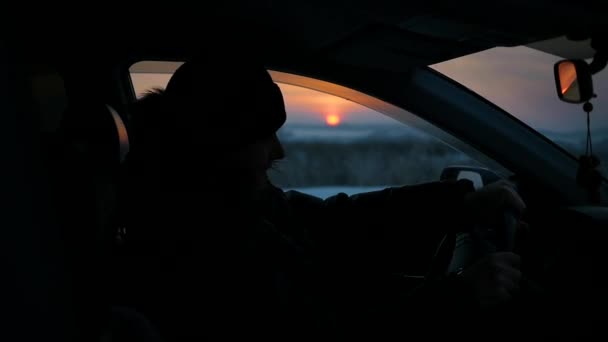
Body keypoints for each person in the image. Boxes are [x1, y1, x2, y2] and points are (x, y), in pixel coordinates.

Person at [118, 54, 526, 341]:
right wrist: (458, 298)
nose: (277, 152)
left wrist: (456, 203)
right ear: (218, 143)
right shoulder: (194, 248)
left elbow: (333, 221)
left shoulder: (231, 203)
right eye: (263, 137)